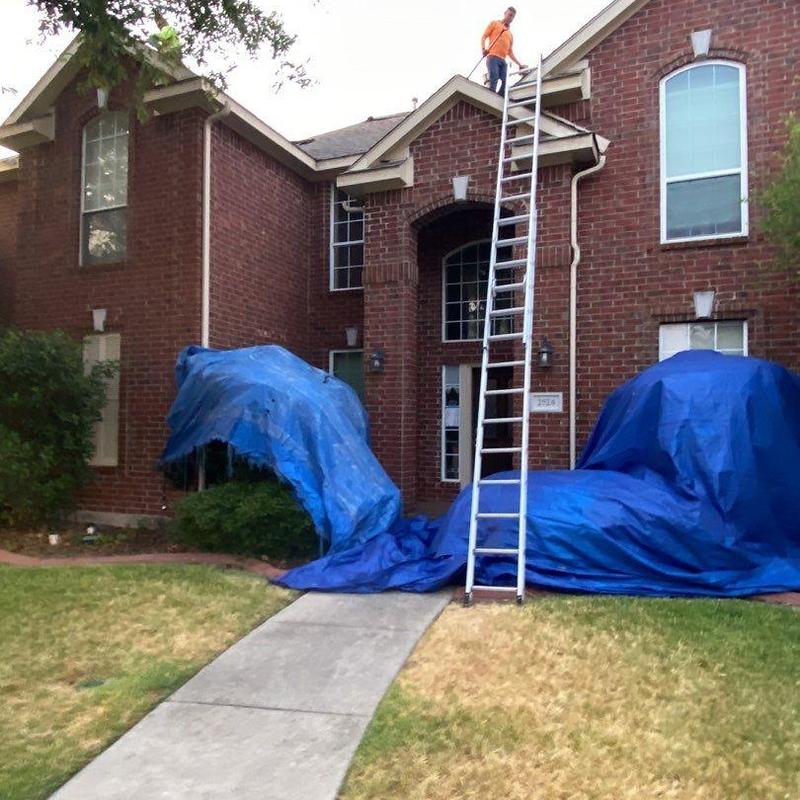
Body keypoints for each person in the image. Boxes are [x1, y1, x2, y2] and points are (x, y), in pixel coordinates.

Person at [481, 7, 528, 95]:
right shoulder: (495, 24)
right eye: (509, 15)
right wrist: (483, 49)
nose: (511, 18)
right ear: (505, 13)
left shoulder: (510, 34)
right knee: (494, 77)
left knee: (505, 81)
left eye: (513, 16)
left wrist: (519, 64)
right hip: (493, 57)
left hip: (502, 60)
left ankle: (499, 98)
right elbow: (484, 36)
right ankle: (491, 96)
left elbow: (510, 52)